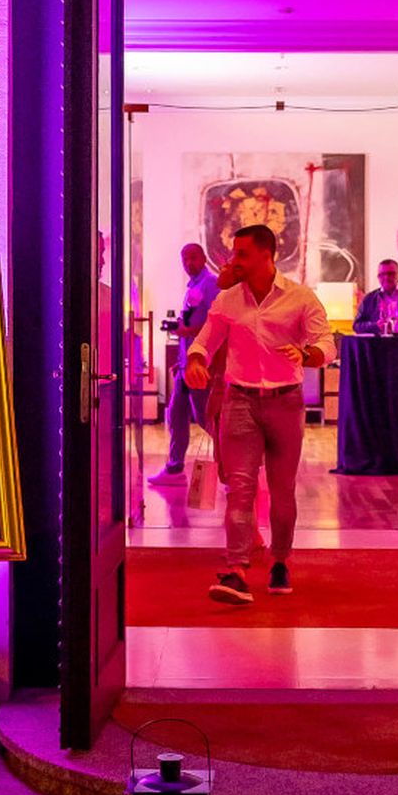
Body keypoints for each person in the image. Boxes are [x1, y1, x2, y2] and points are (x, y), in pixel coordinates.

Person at [184, 222, 335, 606]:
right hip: (240, 401)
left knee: (283, 492)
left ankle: (280, 561)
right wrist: (196, 361)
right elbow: (204, 341)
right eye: (234, 253)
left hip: (286, 401)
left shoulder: (300, 298)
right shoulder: (228, 300)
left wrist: (307, 354)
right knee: (240, 488)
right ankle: (236, 571)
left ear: (267, 255)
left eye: (242, 254)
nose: (234, 261)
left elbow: (326, 343)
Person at [150, 242, 220, 484]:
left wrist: (187, 331)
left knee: (205, 417)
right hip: (186, 365)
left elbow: (216, 324)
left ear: (203, 258)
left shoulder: (211, 284)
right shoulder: (193, 285)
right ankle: (174, 469)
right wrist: (180, 360)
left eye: (193, 257)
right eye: (185, 259)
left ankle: (235, 463)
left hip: (200, 365)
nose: (189, 263)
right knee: (176, 414)